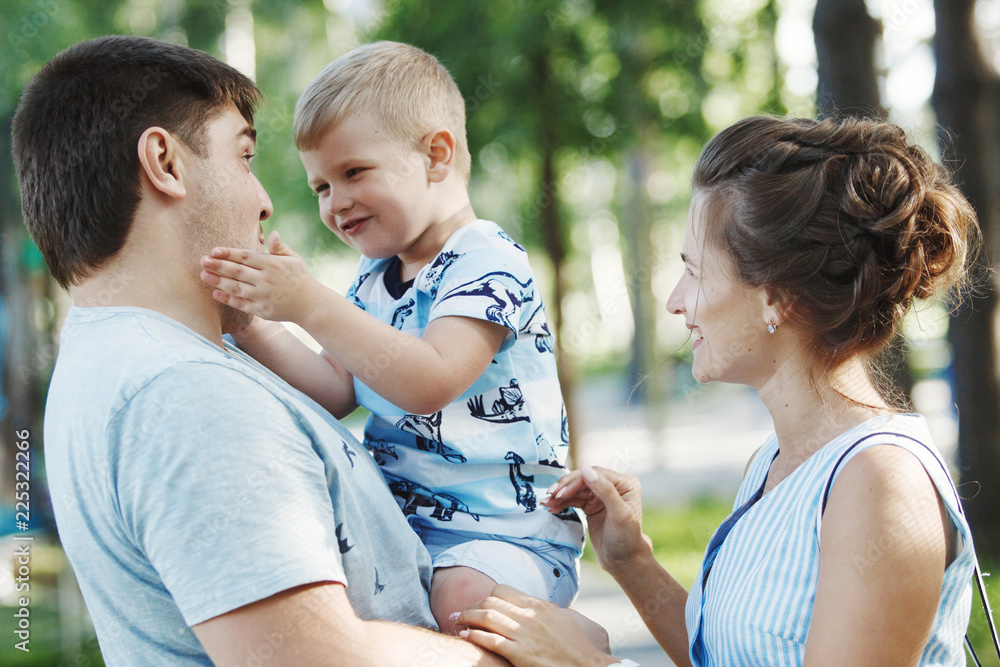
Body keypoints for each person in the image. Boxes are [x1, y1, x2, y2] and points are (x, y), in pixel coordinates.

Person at [12, 35, 516, 666]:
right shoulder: (184, 394)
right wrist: (543, 658)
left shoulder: (114, 358)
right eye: (245, 157)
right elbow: (311, 659)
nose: (266, 202)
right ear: (165, 163)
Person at [454, 115, 980, 667]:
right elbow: (730, 657)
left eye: (695, 271)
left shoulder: (882, 486)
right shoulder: (777, 461)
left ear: (777, 297)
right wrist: (632, 560)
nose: (676, 301)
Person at [198, 40, 584, 634]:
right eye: (321, 186)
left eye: (353, 172)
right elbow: (336, 389)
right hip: (409, 531)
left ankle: (581, 645)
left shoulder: (484, 261)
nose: (336, 203)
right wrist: (251, 322)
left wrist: (310, 302)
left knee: (460, 606)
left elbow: (430, 381)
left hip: (508, 536)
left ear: (436, 156)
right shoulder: (375, 278)